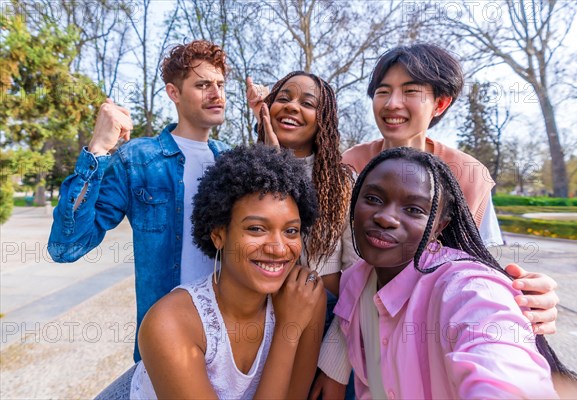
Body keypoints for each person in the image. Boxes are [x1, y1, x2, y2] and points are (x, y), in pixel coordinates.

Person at [312, 44, 560, 397]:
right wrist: (335, 365)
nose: (392, 103)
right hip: (361, 342)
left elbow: (487, 280)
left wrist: (528, 299)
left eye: (410, 91)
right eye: (383, 91)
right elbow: (346, 274)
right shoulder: (346, 167)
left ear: (440, 104)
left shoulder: (469, 176)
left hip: (434, 347)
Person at [336, 146, 576, 398]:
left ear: (439, 226)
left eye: (414, 210)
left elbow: (501, 363)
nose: (386, 218)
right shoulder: (353, 282)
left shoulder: (469, 288)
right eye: (373, 199)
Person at [48, 40, 230, 361]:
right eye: (203, 85)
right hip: (166, 344)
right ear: (173, 93)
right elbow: (67, 246)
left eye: (219, 84)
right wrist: (99, 148)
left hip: (230, 339)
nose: (216, 94)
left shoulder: (232, 162)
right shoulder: (139, 159)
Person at [128, 144, 326, 399]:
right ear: (219, 235)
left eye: (291, 231)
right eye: (256, 228)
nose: (278, 249)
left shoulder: (304, 297)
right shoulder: (171, 323)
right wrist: (288, 330)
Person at [247, 72, 357, 296]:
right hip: (260, 308)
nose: (292, 107)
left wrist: (341, 330)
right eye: (284, 99)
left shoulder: (342, 182)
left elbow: (355, 268)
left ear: (323, 120)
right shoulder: (245, 172)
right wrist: (273, 159)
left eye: (307, 103)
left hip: (327, 313)